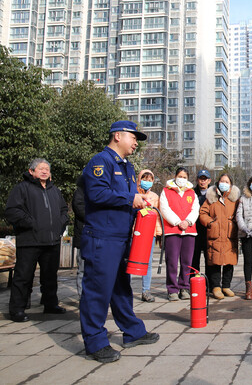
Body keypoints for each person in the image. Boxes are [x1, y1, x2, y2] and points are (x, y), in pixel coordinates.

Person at [80, 120, 159, 363]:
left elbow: (127, 200)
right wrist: (132, 198)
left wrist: (143, 204)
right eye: (133, 137)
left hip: (121, 237)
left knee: (120, 287)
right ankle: (95, 341)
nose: (136, 142)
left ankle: (132, 332)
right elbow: (97, 194)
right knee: (97, 290)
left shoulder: (127, 167)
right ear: (117, 136)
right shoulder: (100, 162)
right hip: (103, 237)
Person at [5, 158, 69, 322]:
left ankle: (50, 304)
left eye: (47, 169)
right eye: (41, 168)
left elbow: (63, 210)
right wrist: (31, 223)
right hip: (29, 240)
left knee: (50, 277)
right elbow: (12, 211)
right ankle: (17, 309)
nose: (45, 171)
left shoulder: (54, 190)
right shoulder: (22, 188)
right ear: (31, 171)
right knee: (23, 276)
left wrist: (60, 225)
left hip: (52, 241)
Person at [160, 167, 199, 301]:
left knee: (187, 261)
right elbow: (164, 208)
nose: (181, 179)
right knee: (172, 261)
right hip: (172, 230)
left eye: (184, 177)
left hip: (189, 231)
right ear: (175, 176)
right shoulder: (166, 191)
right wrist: (177, 222)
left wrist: (187, 222)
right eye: (180, 176)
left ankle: (184, 287)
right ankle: (172, 289)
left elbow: (195, 209)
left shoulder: (192, 193)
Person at [200, 174, 240, 300]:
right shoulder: (211, 198)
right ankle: (215, 287)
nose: (224, 183)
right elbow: (202, 213)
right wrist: (211, 223)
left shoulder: (235, 200)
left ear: (231, 184)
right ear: (218, 183)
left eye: (227, 181)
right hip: (215, 234)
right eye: (222, 181)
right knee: (215, 261)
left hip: (229, 234)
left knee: (229, 261)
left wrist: (234, 223)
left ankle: (226, 286)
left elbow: (240, 213)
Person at [136, 169, 162, 302]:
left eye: (150, 179)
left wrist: (158, 232)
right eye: (144, 179)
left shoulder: (155, 196)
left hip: (149, 233)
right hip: (135, 232)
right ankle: (125, 290)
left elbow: (157, 217)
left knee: (148, 261)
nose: (147, 182)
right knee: (130, 260)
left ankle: (146, 290)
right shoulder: (134, 194)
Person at [192, 169, 212, 277]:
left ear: (209, 180)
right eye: (201, 179)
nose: (202, 181)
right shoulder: (191, 193)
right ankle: (193, 282)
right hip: (195, 231)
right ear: (197, 180)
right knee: (194, 259)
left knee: (209, 259)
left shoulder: (214, 193)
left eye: (205, 179)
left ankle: (209, 284)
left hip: (209, 231)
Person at [72, 175, 86, 298]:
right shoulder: (80, 192)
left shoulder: (99, 191)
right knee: (82, 268)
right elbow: (79, 209)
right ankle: (82, 296)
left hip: (98, 236)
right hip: (83, 235)